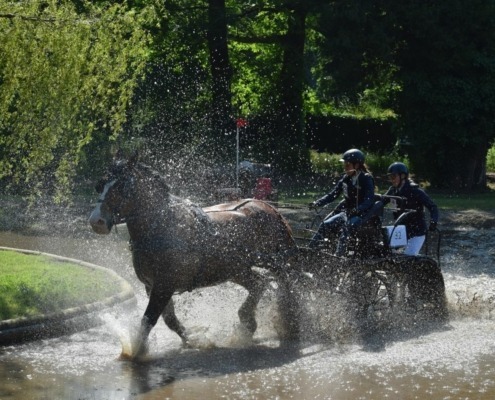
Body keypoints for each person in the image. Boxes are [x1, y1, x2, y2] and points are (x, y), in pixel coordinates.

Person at [308, 148, 375, 255]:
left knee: (346, 229)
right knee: (325, 225)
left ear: (356, 165)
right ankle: (310, 251)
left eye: (347, 165)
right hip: (347, 214)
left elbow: (369, 200)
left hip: (362, 216)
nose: (345, 167)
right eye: (344, 165)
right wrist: (317, 203)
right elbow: (332, 195)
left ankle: (338, 258)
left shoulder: (366, 178)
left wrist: (357, 210)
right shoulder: (346, 179)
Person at [381, 162, 439, 256]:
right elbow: (381, 202)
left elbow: (432, 206)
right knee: (389, 255)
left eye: (394, 177)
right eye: (390, 177)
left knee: (408, 257)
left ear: (403, 176)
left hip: (417, 232)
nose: (392, 180)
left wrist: (434, 221)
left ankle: (420, 262)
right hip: (401, 231)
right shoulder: (392, 190)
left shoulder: (415, 191)